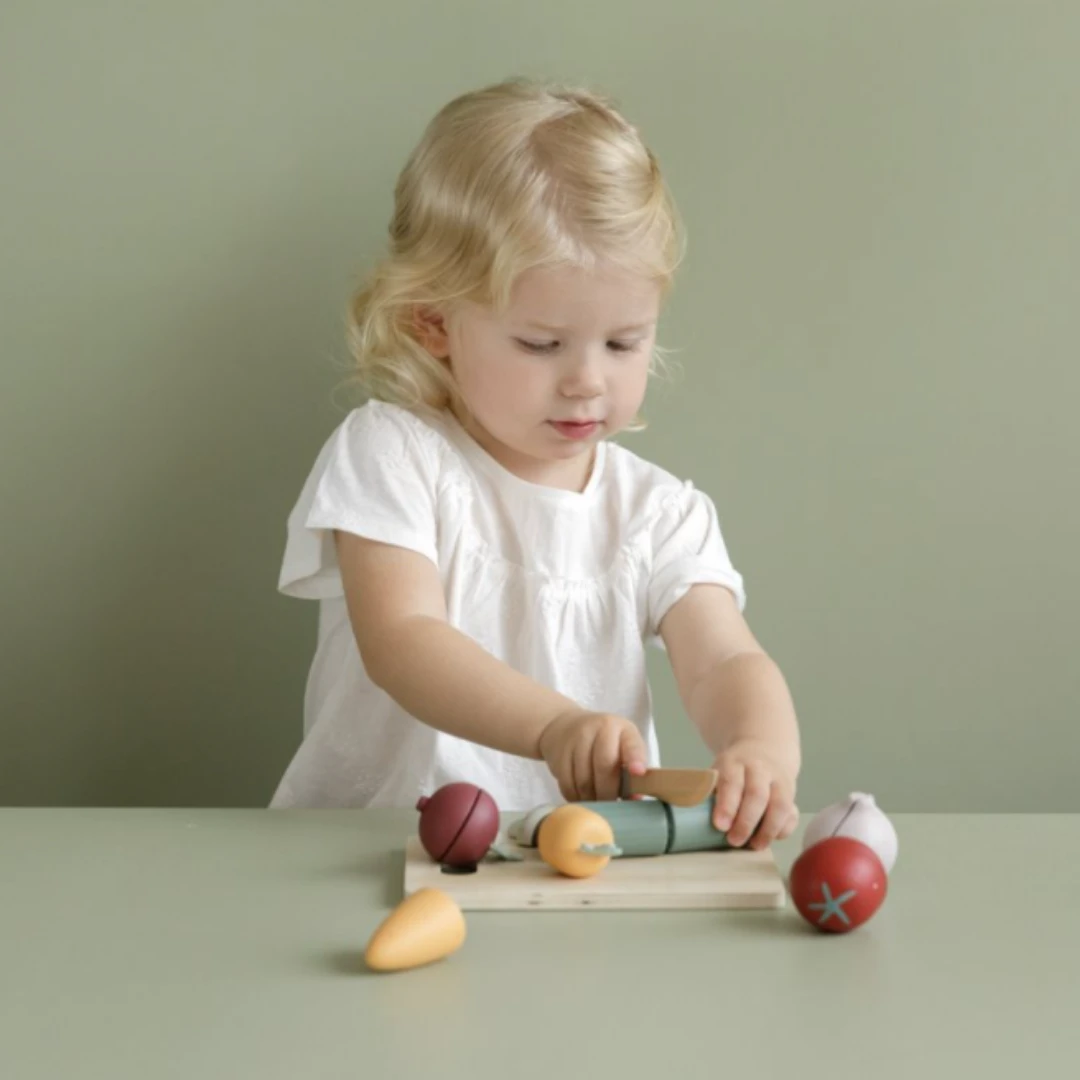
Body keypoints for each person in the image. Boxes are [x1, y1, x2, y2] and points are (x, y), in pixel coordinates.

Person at [270, 76, 801, 850]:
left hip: (572, 868)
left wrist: (760, 751)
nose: (588, 379)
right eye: (541, 344)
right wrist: (554, 725)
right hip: (367, 854)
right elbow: (405, 638)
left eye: (624, 342)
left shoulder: (657, 513)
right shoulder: (391, 453)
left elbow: (724, 659)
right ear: (435, 323)